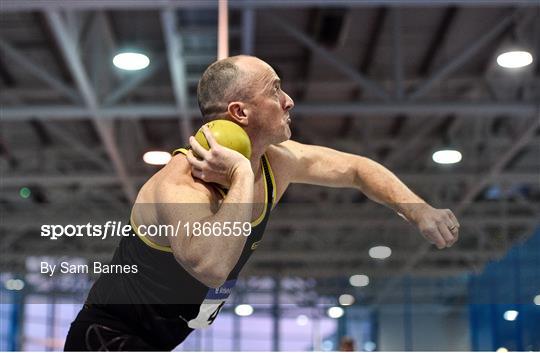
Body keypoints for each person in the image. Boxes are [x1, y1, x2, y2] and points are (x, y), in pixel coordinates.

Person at [64, 55, 459, 351]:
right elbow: (212, 267)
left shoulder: (277, 163)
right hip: (107, 335)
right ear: (240, 112)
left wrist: (419, 210)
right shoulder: (179, 185)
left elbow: (355, 169)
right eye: (274, 89)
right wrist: (239, 176)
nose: (288, 100)